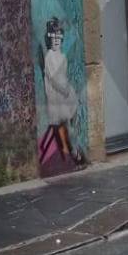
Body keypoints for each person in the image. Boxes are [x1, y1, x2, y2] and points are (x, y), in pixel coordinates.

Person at [41, 18, 84, 166]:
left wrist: (68, 90)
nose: (56, 40)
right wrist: (64, 90)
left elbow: (64, 77)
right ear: (49, 39)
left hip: (65, 93)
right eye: (53, 37)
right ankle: (74, 151)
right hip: (56, 98)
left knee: (75, 116)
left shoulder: (62, 57)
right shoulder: (49, 57)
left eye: (59, 36)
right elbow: (53, 79)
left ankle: (76, 144)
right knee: (66, 124)